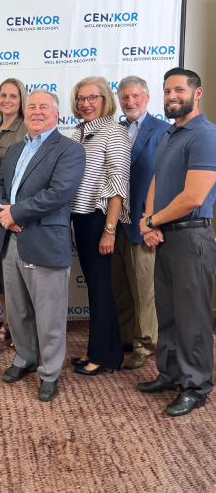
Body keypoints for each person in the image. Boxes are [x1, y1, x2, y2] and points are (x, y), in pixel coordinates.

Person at [0, 90, 85, 401]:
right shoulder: (17, 149)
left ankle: (50, 372)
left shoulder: (69, 150)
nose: (37, 112)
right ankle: (25, 359)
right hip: (11, 239)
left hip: (44, 240)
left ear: (57, 115)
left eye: (44, 107)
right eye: (32, 107)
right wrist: (4, 215)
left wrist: (15, 213)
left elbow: (58, 193)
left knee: (49, 315)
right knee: (17, 311)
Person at [137, 67, 216, 417]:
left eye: (179, 90)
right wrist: (149, 223)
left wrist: (152, 220)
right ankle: (170, 375)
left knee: (192, 318)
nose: (172, 96)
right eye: (168, 90)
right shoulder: (170, 134)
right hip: (166, 236)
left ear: (196, 94)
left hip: (191, 237)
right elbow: (157, 181)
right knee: (167, 314)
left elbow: (194, 196)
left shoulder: (205, 135)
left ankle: (196, 387)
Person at [69, 76, 130, 376]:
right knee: (98, 288)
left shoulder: (114, 132)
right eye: (81, 98)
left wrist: (109, 229)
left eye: (93, 97)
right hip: (79, 219)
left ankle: (99, 356)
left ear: (105, 100)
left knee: (100, 289)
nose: (86, 103)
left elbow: (118, 184)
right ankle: (111, 353)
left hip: (99, 220)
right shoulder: (77, 133)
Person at [111, 76, 169, 369]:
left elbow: (167, 182)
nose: (130, 102)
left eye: (135, 96)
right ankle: (126, 336)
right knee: (120, 286)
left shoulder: (163, 131)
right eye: (125, 98)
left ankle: (145, 343)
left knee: (144, 289)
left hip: (143, 225)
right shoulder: (115, 130)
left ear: (147, 97)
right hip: (115, 223)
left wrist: (153, 222)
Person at [0, 78, 27, 345]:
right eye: (3, 95)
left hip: (15, 211)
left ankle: (21, 326)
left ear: (22, 99)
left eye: (13, 96)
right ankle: (7, 322)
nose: (7, 100)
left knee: (18, 272)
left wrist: (12, 211)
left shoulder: (26, 129)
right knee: (0, 271)